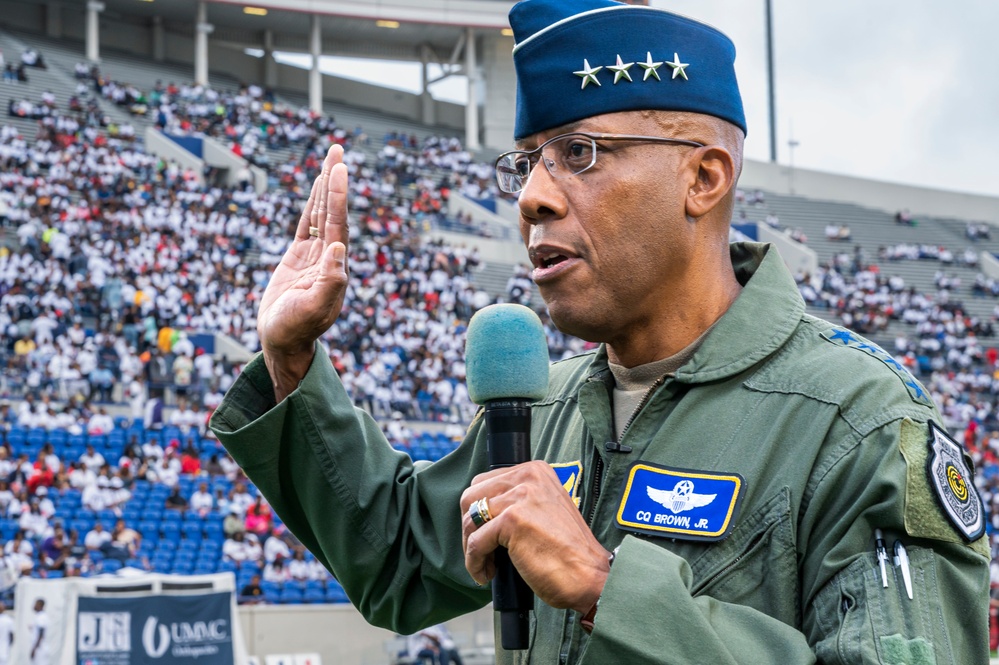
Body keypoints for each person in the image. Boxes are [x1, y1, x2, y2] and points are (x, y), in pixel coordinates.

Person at [210, 1, 989, 663]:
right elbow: (401, 559)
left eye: (579, 154)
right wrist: (290, 357)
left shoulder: (856, 423)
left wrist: (605, 588)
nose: (532, 198)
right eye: (525, 163)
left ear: (702, 177)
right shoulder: (542, 409)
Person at [29, 598, 47, 665]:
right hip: (38, 648)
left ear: (40, 605)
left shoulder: (42, 617)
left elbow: (41, 634)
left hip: (40, 649)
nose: (34, 606)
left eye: (36, 604)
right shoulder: (38, 616)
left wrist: (34, 648)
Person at [0, 600, 12, 665]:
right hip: (4, 649)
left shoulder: (8, 620)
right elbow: (11, 637)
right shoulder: (8, 620)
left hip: (4, 649)